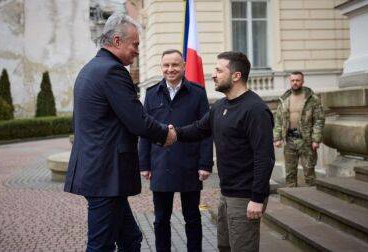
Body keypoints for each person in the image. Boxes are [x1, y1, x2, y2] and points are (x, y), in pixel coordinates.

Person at [63, 13, 176, 252]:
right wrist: (165, 134)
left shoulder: (91, 69)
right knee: (101, 246)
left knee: (130, 239)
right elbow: (137, 120)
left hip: (99, 173)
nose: (137, 51)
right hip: (105, 176)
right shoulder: (112, 72)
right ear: (116, 41)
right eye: (134, 44)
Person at [171, 51, 275, 252]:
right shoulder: (220, 106)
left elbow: (265, 158)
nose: (213, 75)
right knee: (224, 247)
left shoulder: (255, 109)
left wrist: (257, 198)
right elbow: (197, 129)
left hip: (245, 197)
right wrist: (171, 133)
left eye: (219, 70)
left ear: (236, 76)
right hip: (226, 194)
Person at [138, 49, 213, 252]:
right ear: (161, 67)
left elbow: (207, 130)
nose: (170, 69)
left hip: (190, 164)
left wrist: (205, 164)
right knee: (161, 219)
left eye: (175, 65)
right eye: (166, 65)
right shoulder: (152, 94)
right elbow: (144, 131)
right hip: (161, 164)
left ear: (184, 66)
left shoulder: (197, 93)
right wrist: (144, 164)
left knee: (192, 218)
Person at [273, 71, 325, 187]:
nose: (295, 83)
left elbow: (319, 120)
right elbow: (278, 119)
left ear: (302, 81)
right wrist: (277, 137)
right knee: (290, 174)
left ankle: (312, 199)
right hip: (289, 140)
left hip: (306, 141)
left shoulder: (312, 99)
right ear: (290, 82)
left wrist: (316, 139)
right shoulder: (284, 99)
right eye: (293, 80)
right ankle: (291, 197)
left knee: (309, 173)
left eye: (297, 80)